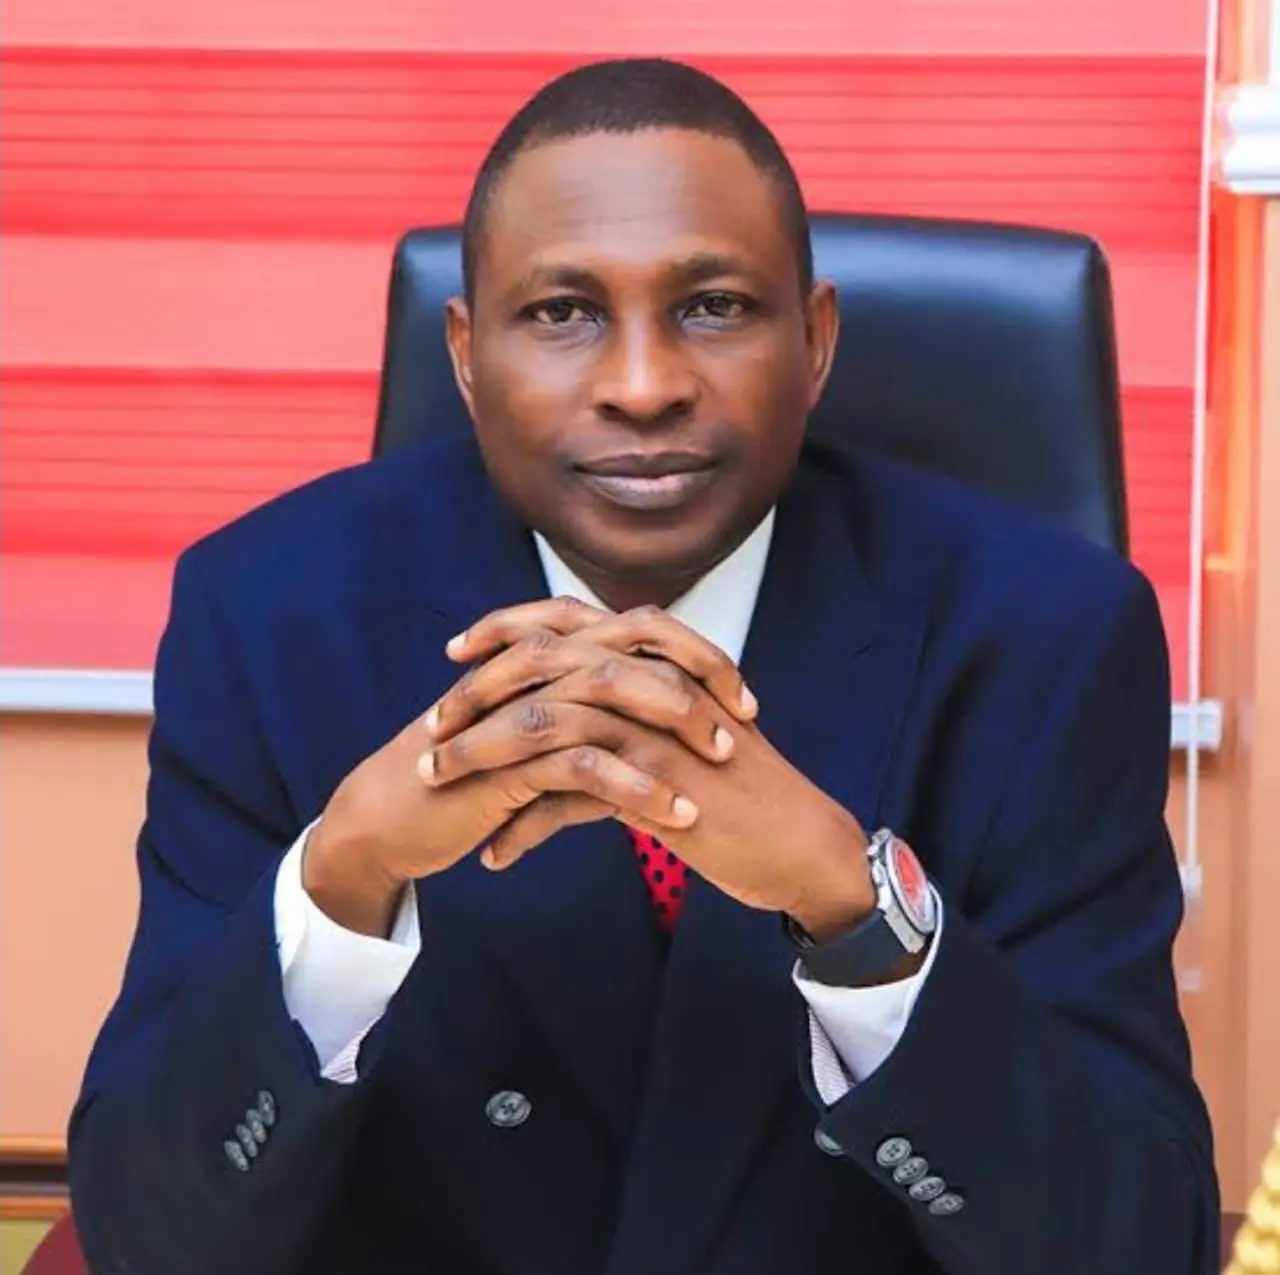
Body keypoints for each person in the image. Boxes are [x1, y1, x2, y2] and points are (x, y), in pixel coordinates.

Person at [68, 57, 1218, 1275]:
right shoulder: (270, 615)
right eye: (560, 313)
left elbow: (1139, 1247)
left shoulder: (1043, 638)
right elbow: (149, 1240)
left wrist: (853, 911)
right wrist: (344, 880)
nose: (641, 387)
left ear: (815, 342)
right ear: (465, 354)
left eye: (712, 307)